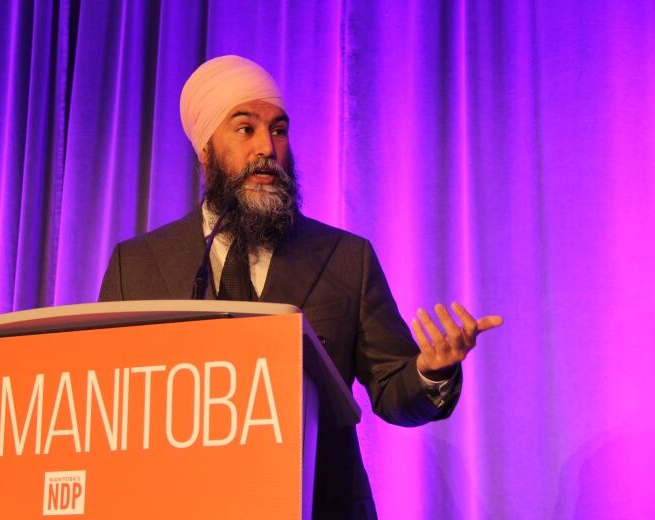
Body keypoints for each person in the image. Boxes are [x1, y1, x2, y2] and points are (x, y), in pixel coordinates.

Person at [99, 55, 503, 519]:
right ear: (205, 151)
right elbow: (112, 408)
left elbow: (394, 393)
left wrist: (432, 371)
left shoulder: (345, 257)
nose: (267, 149)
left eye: (279, 130)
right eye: (245, 129)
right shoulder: (138, 264)